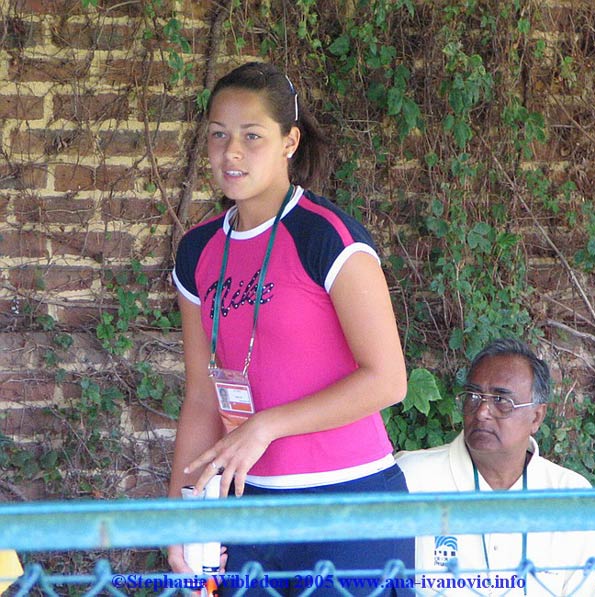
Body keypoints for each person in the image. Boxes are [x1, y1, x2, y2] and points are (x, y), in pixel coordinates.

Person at [168, 61, 413, 591]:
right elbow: (201, 398)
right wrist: (180, 515)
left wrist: (267, 425)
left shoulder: (327, 237)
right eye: (218, 135)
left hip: (349, 507)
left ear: (289, 141)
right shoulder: (197, 251)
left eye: (251, 136)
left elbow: (389, 380)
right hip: (248, 510)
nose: (231, 151)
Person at [396, 338, 595, 596]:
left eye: (502, 401)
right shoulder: (411, 478)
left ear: (536, 417)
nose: (481, 412)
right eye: (473, 397)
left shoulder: (572, 498)